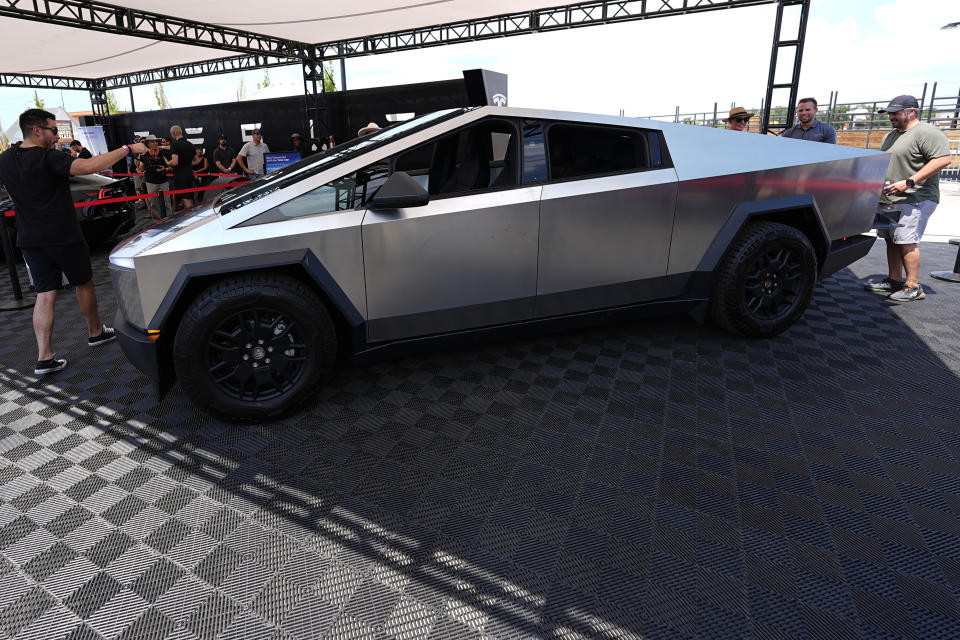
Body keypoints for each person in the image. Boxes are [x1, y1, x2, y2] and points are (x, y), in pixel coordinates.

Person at [0, 109, 146, 375]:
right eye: (54, 131)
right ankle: (96, 331)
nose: (57, 137)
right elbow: (91, 166)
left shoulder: (5, 159)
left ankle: (44, 357)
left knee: (44, 295)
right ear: (36, 131)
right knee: (83, 282)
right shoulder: (48, 157)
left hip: (30, 238)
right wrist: (127, 148)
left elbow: (11, 192)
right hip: (62, 234)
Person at [863, 95, 951, 302]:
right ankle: (895, 280)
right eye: (890, 113)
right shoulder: (892, 135)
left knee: (907, 241)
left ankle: (913, 286)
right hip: (889, 199)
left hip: (916, 197)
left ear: (912, 111)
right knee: (891, 240)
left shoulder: (927, 132)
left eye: (895, 113)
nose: (891, 116)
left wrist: (909, 182)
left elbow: (943, 160)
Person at [136, 135, 172, 219]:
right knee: (154, 203)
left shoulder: (164, 153)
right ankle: (157, 222)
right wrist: (140, 165)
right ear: (148, 143)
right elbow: (141, 167)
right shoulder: (144, 155)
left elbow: (172, 167)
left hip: (163, 181)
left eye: (156, 141)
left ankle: (170, 220)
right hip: (151, 182)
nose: (155, 143)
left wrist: (165, 169)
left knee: (167, 202)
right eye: (152, 141)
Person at [167, 125, 196, 209]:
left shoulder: (175, 144)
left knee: (186, 200)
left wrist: (168, 162)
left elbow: (175, 162)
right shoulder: (190, 144)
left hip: (180, 176)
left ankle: (191, 220)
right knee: (190, 198)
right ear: (181, 132)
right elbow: (195, 161)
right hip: (190, 175)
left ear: (172, 134)